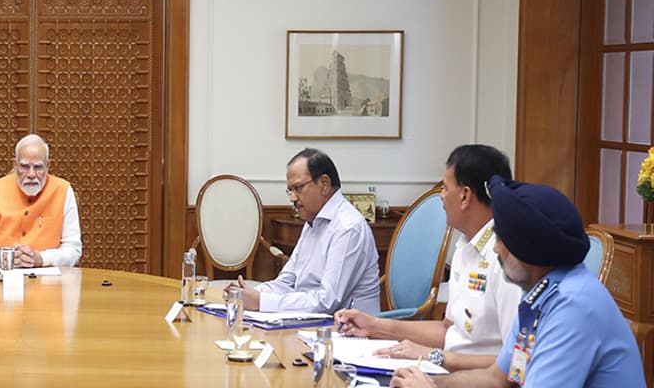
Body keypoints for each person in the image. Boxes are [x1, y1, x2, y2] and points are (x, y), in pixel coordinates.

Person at [389, 176, 645, 388]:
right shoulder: (538, 293)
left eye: (501, 240)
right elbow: (497, 378)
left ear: (527, 251)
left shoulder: (573, 308)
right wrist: (432, 383)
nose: (496, 249)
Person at [336, 144, 520, 372]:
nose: (441, 197)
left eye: (445, 188)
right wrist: (374, 326)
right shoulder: (465, 248)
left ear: (465, 196)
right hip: (447, 371)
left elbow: (514, 361)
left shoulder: (507, 256)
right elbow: (449, 332)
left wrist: (435, 357)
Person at [231, 148, 379, 313]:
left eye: (298, 188)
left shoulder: (348, 227)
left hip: (347, 332)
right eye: (290, 191)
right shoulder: (313, 222)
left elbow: (327, 301)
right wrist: (247, 293)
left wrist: (261, 302)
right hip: (313, 324)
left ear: (324, 184)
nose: (293, 198)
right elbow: (287, 282)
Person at [0, 134, 82, 268]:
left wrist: (42, 259)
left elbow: (74, 250)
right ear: (15, 165)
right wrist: (4, 257)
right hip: (0, 281)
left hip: (48, 283)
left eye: (38, 167)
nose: (31, 174)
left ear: (48, 166)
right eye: (25, 167)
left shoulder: (64, 191)